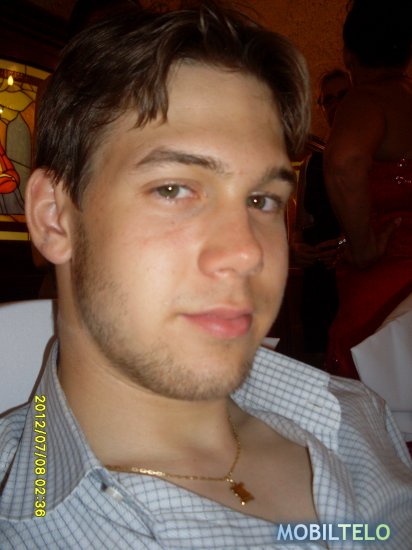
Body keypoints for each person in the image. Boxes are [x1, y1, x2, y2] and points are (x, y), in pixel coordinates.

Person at [0, 3, 411, 548]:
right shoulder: (31, 524)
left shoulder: (355, 410)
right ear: (55, 217)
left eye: (262, 200)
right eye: (173, 189)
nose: (247, 252)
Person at [324, 0, 412, 378]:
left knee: (373, 376)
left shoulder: (367, 101)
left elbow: (344, 164)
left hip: (386, 276)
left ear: (348, 55)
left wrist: (362, 248)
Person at [292, 70, 350, 359]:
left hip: (354, 275)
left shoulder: (378, 157)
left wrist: (345, 243)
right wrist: (297, 248)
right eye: (329, 100)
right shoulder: (312, 162)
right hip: (318, 279)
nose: (336, 105)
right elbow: (299, 229)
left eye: (344, 96)